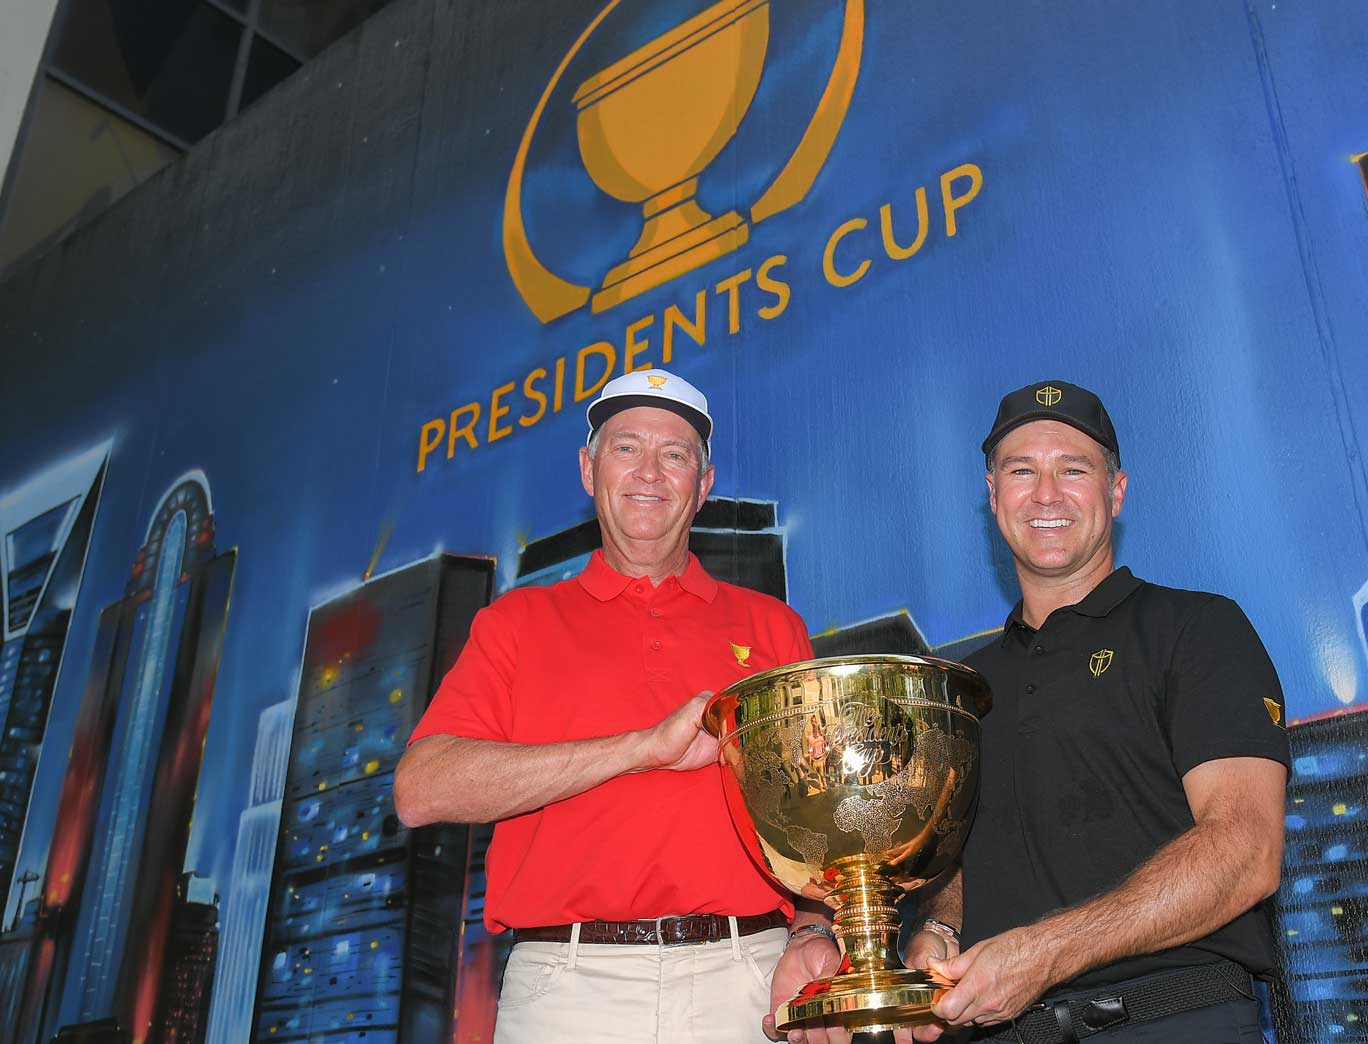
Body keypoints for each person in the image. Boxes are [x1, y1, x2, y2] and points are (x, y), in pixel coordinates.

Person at [393, 368, 844, 1044]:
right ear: (588, 469)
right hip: (565, 991)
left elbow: (821, 818)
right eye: (626, 447)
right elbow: (420, 789)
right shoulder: (516, 622)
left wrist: (811, 929)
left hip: (748, 977)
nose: (649, 473)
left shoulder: (773, 627)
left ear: (704, 484)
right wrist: (642, 749)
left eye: (674, 455)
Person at [906, 380, 1291, 1044]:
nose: (1046, 494)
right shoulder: (962, 686)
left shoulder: (1196, 629)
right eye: (1021, 472)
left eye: (1073, 470)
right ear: (993, 497)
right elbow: (969, 855)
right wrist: (941, 927)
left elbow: (1246, 851)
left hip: (1171, 1021)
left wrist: (1046, 951)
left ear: (1116, 492)